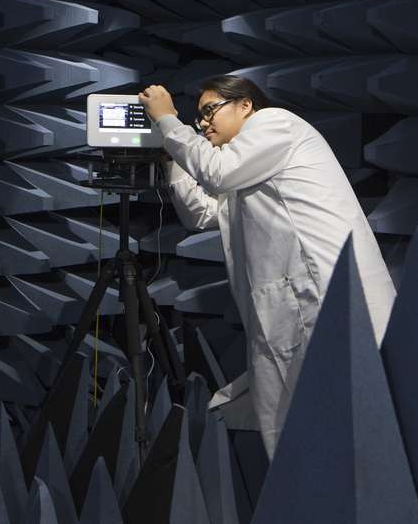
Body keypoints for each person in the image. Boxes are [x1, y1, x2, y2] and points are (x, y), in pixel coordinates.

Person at [138, 75, 396, 458]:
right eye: (199, 118)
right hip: (288, 310)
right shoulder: (249, 168)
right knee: (303, 434)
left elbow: (216, 172)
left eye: (210, 111)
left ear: (245, 105)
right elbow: (202, 212)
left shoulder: (275, 125)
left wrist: (167, 119)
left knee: (349, 429)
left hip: (328, 300)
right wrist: (171, 156)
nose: (204, 123)